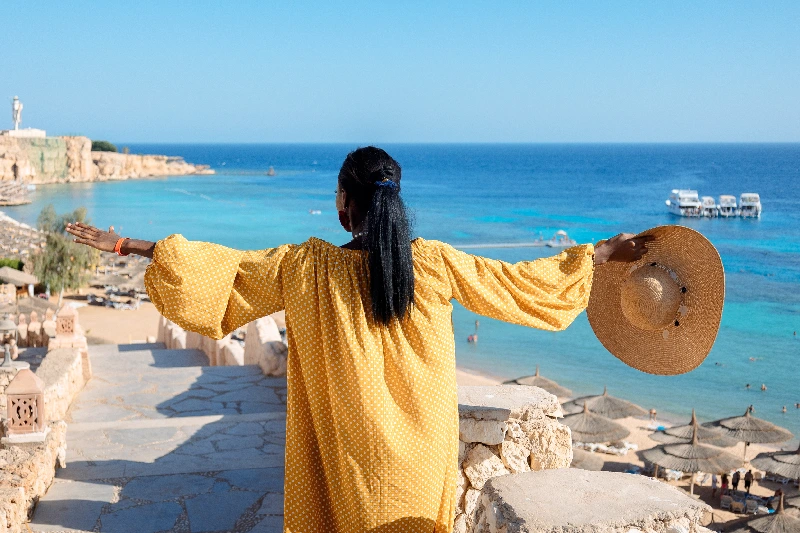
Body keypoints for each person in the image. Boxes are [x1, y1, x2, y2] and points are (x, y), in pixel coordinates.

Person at [66, 146, 650, 533]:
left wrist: (129, 247)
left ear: (345, 205)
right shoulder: (435, 264)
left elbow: (225, 272)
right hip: (421, 454)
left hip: (346, 454)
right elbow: (524, 286)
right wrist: (600, 253)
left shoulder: (306, 268)